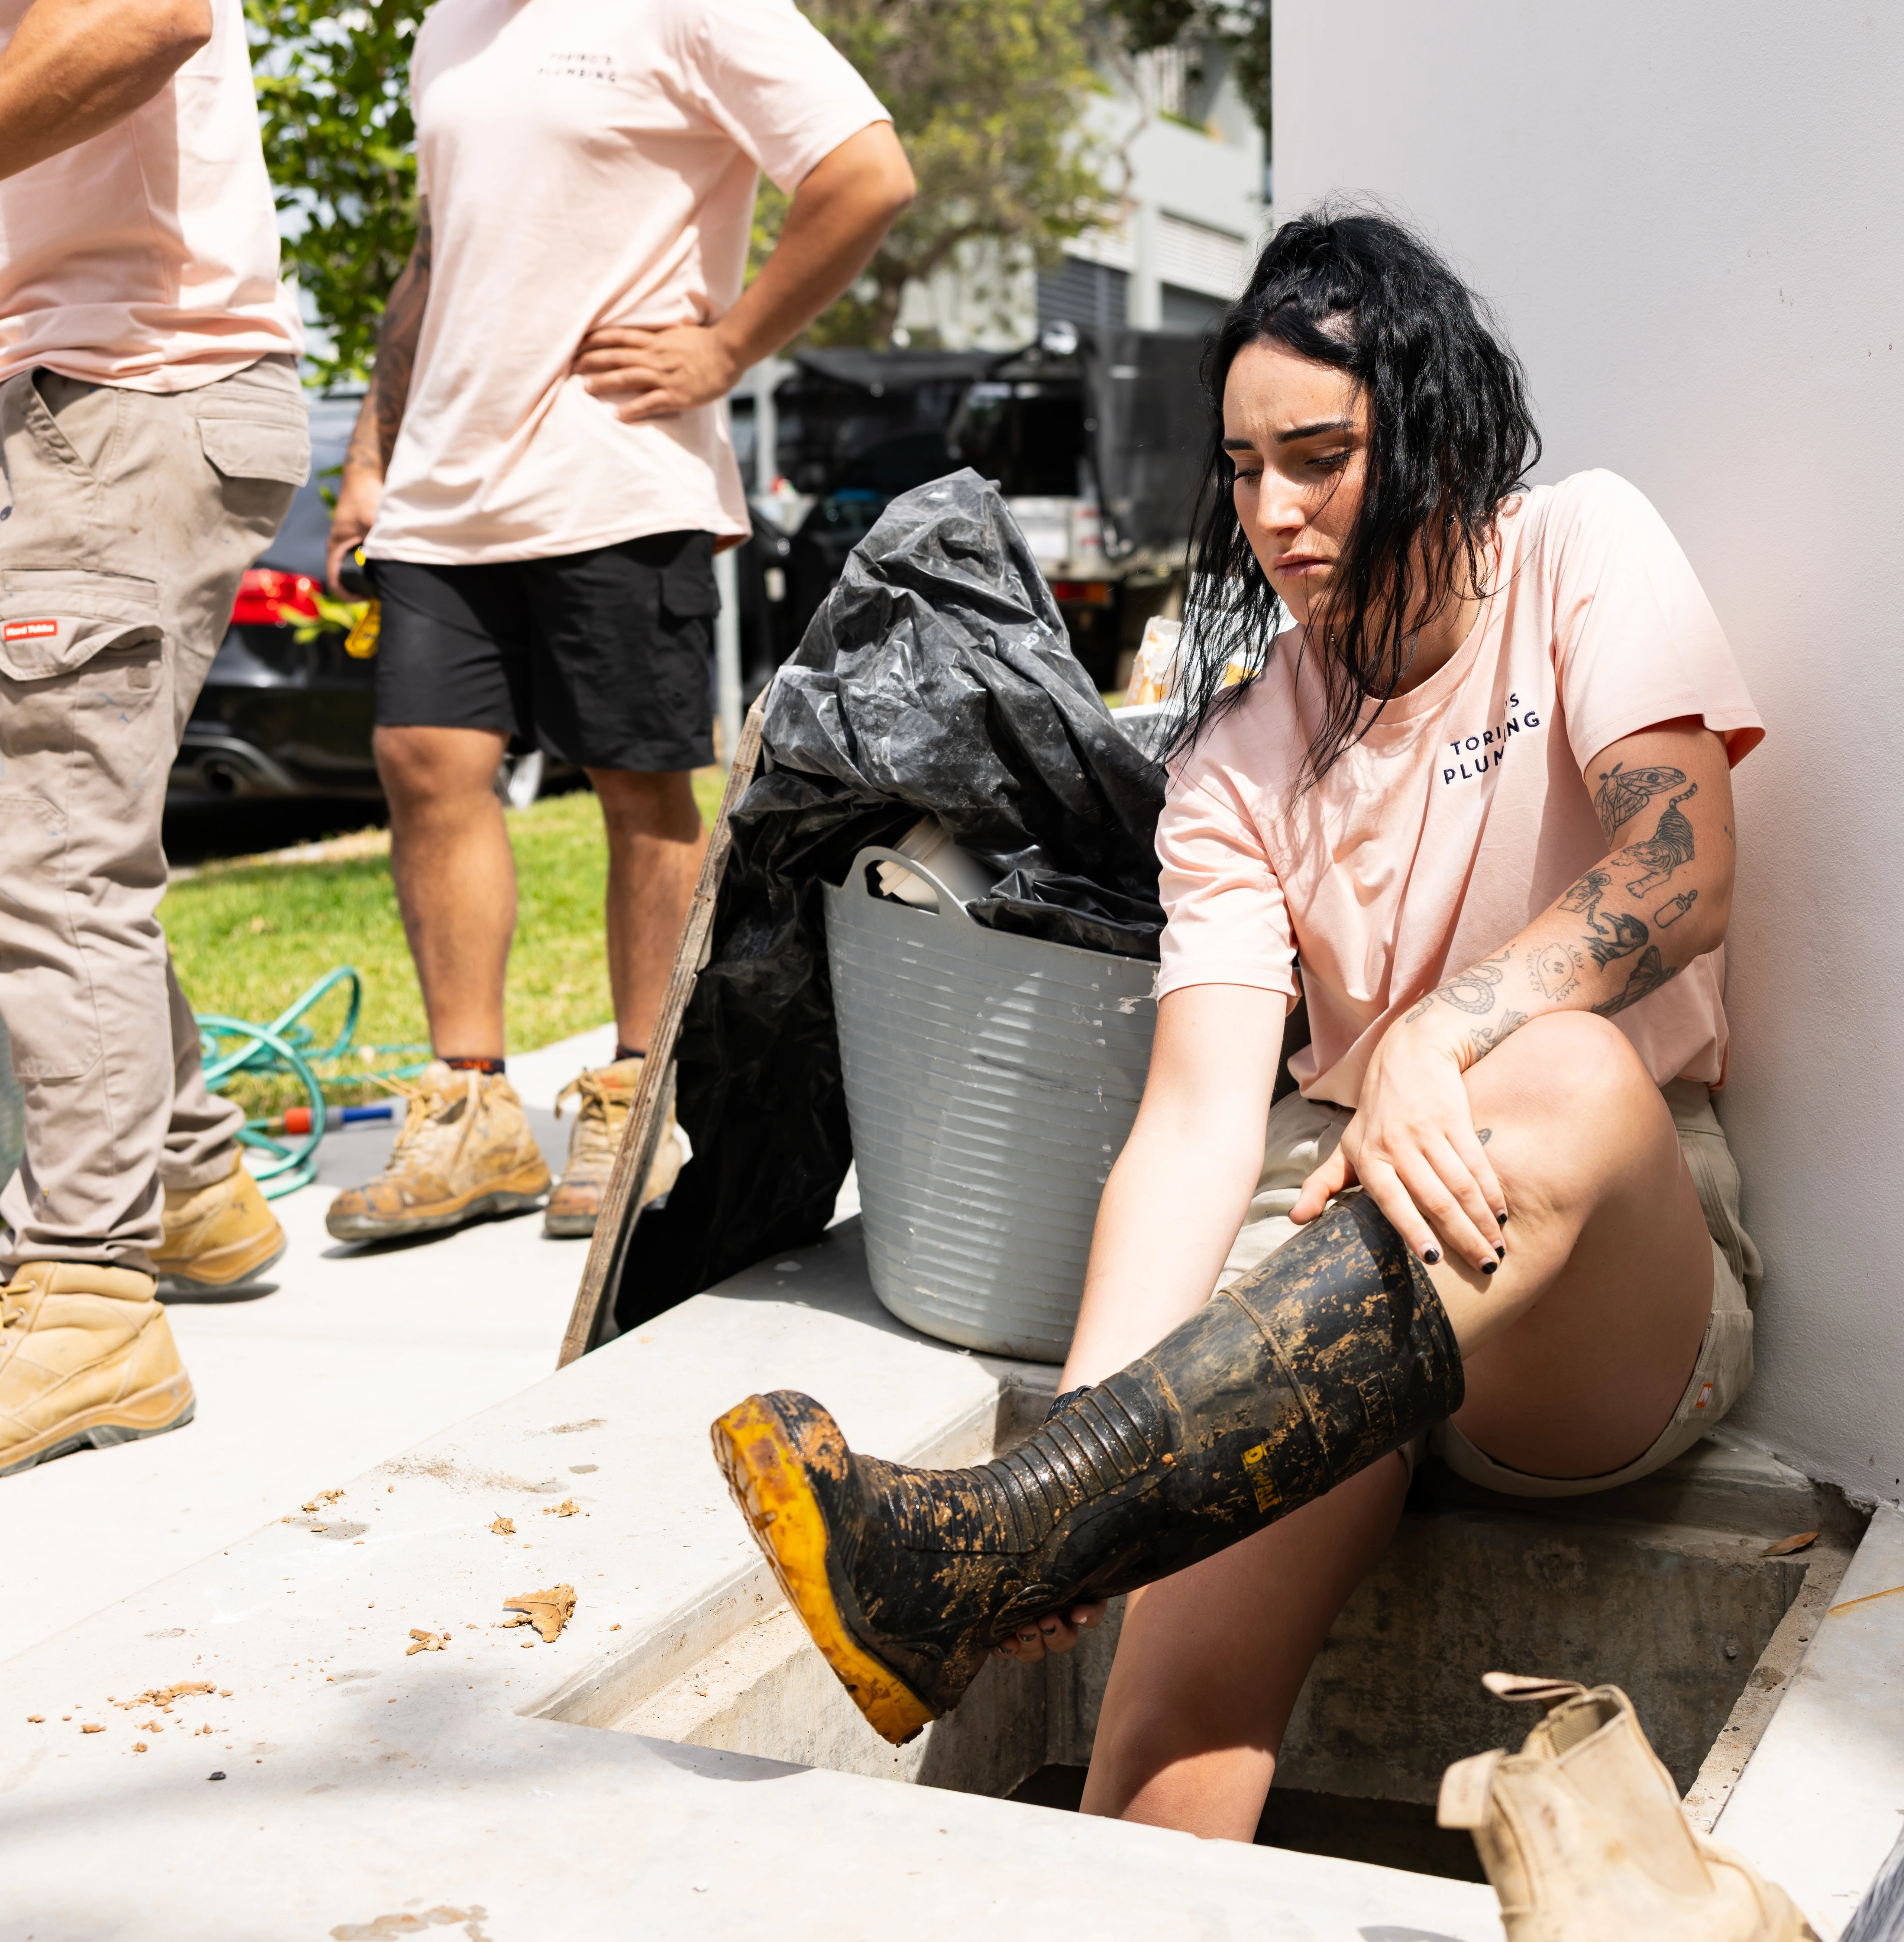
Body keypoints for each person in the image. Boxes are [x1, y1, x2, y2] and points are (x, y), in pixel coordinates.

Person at [710, 211, 1767, 1838]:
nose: (1273, 512)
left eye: (1322, 457)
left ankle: (1022, 1526)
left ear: (1432, 427)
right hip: (1331, 1254)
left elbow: (1678, 862)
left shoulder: (1576, 548)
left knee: (1555, 1070)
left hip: (1588, 1275)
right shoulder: (1232, 755)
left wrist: (1435, 1034)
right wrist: (1087, 1430)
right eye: (1244, 466)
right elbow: (1201, 1120)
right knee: (1167, 1715)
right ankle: (1029, 1538)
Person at [322, 0, 911, 1243]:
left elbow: (867, 173)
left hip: (611, 470)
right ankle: (472, 1107)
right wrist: (372, 456)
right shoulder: (450, 31)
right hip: (441, 485)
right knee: (425, 765)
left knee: (639, 781)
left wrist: (728, 346)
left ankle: (637, 1098)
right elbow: (434, 259)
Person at [0, 0, 309, 1484]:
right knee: (33, 827)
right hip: (56, 392)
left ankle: (88, 1294)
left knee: (46, 853)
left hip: (115, 386)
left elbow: (142, 14)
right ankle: (187, 1178)